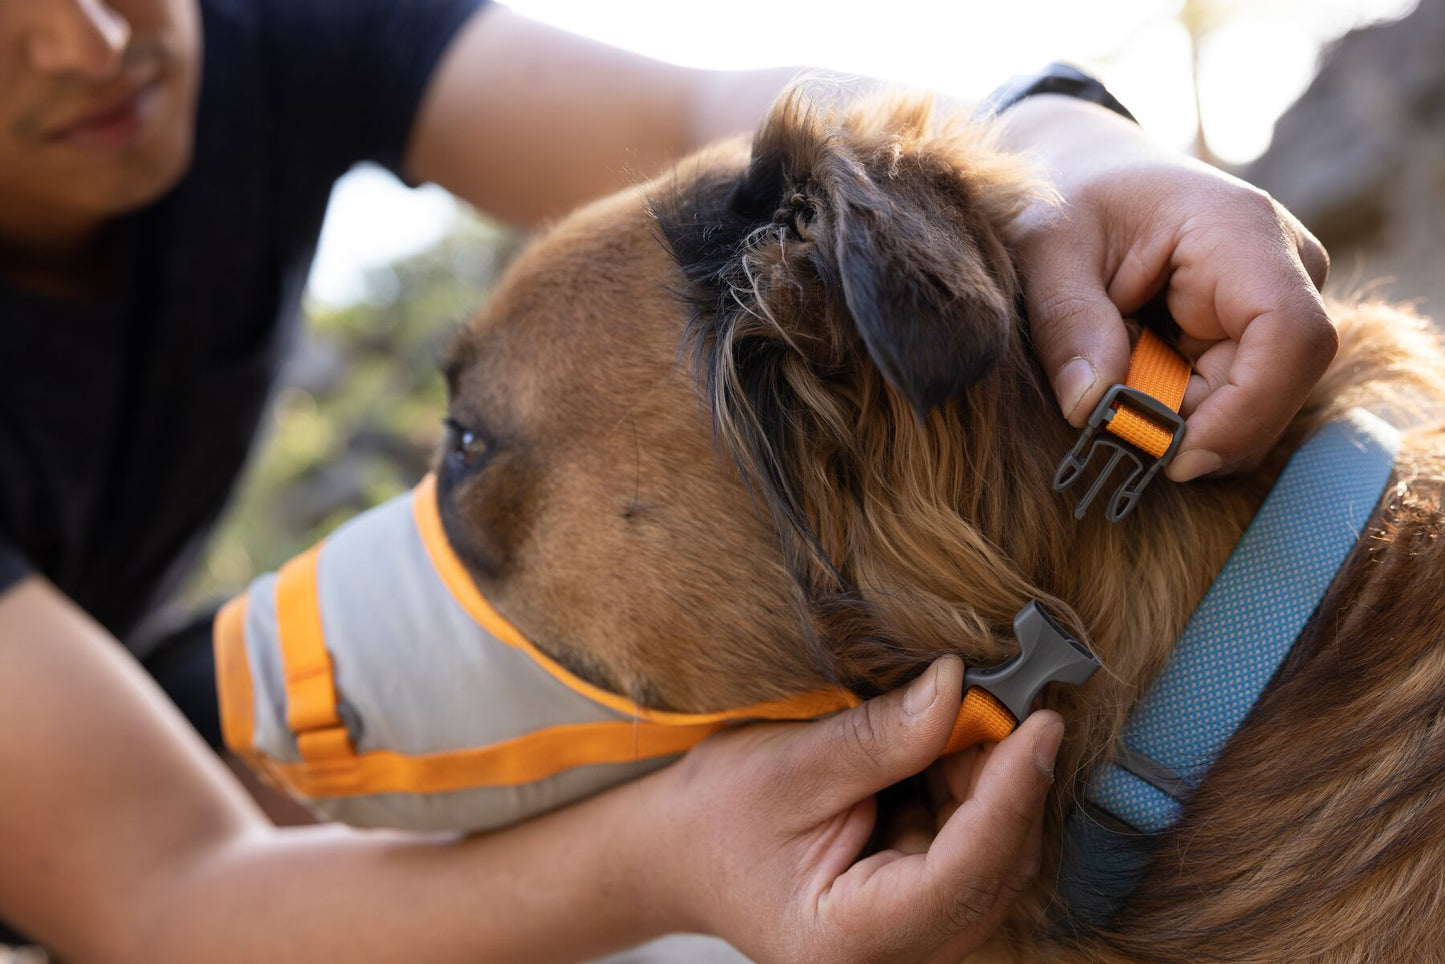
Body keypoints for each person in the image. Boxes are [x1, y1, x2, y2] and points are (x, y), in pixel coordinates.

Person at [0, 1, 1335, 961]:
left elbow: (700, 128)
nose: (93, 41)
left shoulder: (247, 37)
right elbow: (164, 897)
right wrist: (663, 862)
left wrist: (1060, 154)